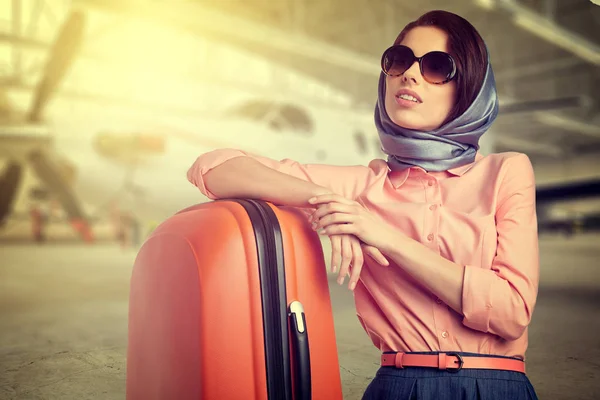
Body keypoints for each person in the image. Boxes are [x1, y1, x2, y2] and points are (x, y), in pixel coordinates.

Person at [186, 9, 539, 400]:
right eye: (400, 60)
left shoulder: (507, 171)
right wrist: (331, 203)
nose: (410, 74)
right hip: (400, 388)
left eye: (436, 66)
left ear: (469, 91)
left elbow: (511, 312)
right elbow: (214, 167)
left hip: (495, 387)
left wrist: (380, 234)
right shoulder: (360, 188)